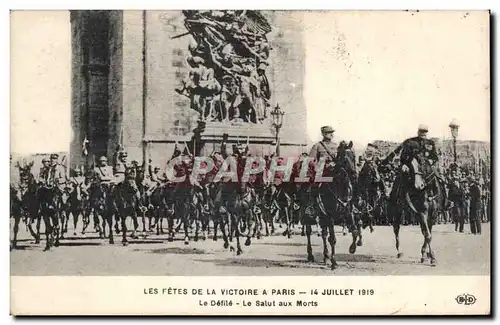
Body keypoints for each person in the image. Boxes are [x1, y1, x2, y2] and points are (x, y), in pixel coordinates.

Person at [381, 125, 439, 203]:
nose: (423, 134)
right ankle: (393, 200)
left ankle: (443, 201)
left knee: (439, 179)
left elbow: (435, 157)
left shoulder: (430, 143)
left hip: (426, 168)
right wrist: (404, 164)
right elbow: (403, 156)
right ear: (418, 132)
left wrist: (431, 161)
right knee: (399, 180)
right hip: (412, 168)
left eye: (425, 132)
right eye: (421, 132)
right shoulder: (410, 142)